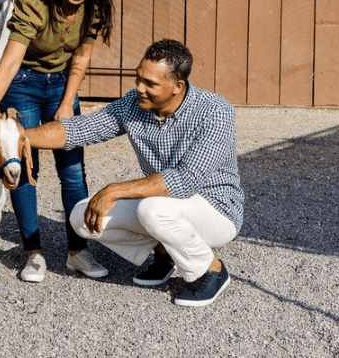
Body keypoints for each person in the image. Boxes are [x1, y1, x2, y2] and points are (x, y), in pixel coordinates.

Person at [23, 39, 243, 307]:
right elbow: (81, 129)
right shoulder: (133, 104)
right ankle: (166, 252)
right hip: (163, 204)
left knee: (153, 211)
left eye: (150, 84)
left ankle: (211, 270)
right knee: (82, 218)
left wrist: (115, 190)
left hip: (216, 209)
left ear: (178, 87)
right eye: (138, 78)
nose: (139, 88)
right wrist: (17, 135)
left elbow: (185, 180)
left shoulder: (216, 111)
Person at [0, 0, 114, 283]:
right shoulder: (35, 2)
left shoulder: (93, 9)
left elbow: (81, 58)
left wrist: (68, 100)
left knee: (72, 169)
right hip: (23, 84)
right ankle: (33, 253)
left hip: (61, 84)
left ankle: (77, 251)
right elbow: (11, 60)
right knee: (25, 167)